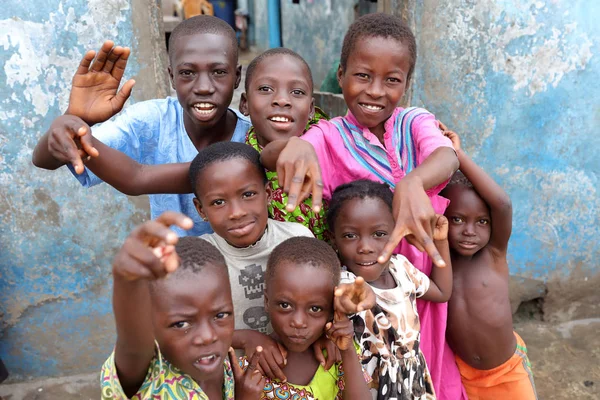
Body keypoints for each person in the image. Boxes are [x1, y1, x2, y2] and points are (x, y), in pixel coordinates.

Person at [260, 13, 464, 399]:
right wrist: (295, 144)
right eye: (363, 75)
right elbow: (269, 156)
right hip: (360, 287)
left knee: (422, 357)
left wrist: (413, 181)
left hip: (416, 275)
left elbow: (447, 156)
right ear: (340, 75)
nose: (375, 91)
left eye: (392, 80)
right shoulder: (329, 135)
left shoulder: (414, 122)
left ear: (406, 83)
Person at [31, 15, 251, 236]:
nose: (204, 87)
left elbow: (136, 178)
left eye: (219, 72)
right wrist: (74, 119)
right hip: (173, 264)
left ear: (237, 77)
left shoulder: (254, 136)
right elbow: (45, 161)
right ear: (172, 77)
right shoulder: (152, 121)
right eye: (187, 73)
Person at [189, 142, 372, 384]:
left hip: (299, 376)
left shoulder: (297, 237)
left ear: (267, 194)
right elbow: (184, 327)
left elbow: (323, 299)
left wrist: (325, 333)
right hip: (230, 381)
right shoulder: (199, 259)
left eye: (248, 195)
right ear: (201, 209)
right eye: (218, 202)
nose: (236, 212)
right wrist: (243, 338)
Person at [100, 211, 263, 399]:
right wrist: (126, 282)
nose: (208, 336)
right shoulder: (149, 375)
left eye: (220, 316)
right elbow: (132, 346)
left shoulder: (224, 364)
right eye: (181, 324)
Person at [327, 179, 452, 399]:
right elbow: (343, 302)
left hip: (412, 386)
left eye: (379, 234)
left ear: (397, 231)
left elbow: (442, 291)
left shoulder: (401, 269)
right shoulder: (343, 284)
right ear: (333, 239)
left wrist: (440, 242)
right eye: (350, 236)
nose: (365, 247)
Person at [441, 130, 537, 399]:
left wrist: (458, 156)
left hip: (508, 371)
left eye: (481, 221)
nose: (469, 231)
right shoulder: (440, 258)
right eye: (458, 219)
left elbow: (503, 204)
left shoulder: (494, 253)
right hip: (465, 373)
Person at [238, 236, 372, 399]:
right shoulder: (250, 370)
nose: (299, 322)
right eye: (285, 305)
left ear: (331, 309)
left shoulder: (339, 355)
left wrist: (348, 350)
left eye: (315, 309)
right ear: (267, 301)